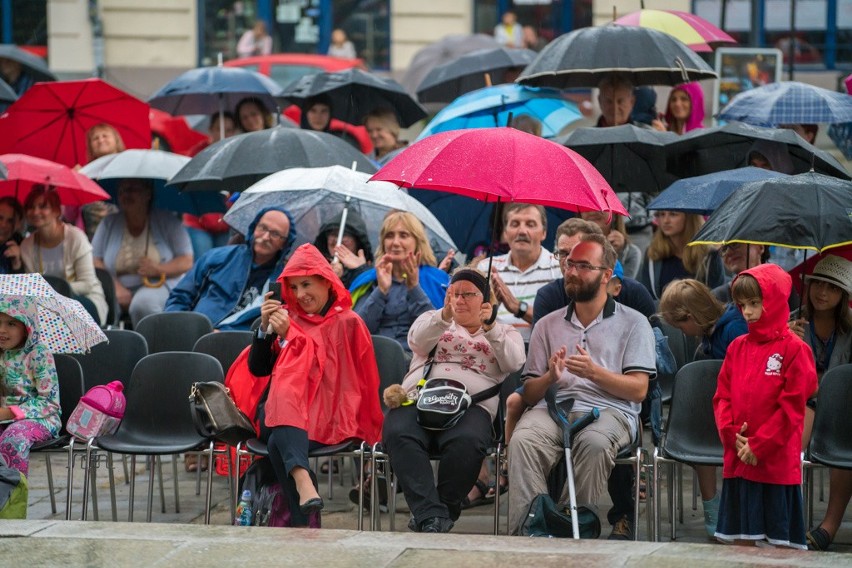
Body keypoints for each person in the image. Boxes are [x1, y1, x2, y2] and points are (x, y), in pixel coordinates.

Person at [508, 233, 656, 539]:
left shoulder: (635, 322)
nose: (572, 271)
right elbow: (531, 394)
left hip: (611, 409)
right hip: (554, 407)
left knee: (595, 443)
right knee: (523, 440)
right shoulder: (547, 324)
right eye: (569, 263)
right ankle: (529, 534)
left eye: (583, 266)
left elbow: (639, 390)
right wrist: (550, 377)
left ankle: (570, 531)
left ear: (606, 276)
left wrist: (594, 373)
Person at [238, 243, 383, 526]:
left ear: (326, 282)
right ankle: (304, 491)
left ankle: (303, 513)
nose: (300, 295)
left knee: (280, 435)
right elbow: (258, 369)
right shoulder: (286, 319)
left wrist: (292, 336)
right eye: (293, 288)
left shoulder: (350, 322)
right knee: (280, 406)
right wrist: (265, 329)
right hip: (283, 413)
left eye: (306, 284)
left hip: (327, 414)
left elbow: (341, 378)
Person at [382, 267, 525, 533]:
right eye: (453, 294)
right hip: (419, 397)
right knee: (398, 431)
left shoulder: (504, 331)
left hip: (471, 405)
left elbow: (514, 361)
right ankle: (432, 515)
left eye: (467, 295)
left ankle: (436, 513)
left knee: (468, 441)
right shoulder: (433, 318)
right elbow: (416, 341)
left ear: (484, 300)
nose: (458, 300)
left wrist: (490, 327)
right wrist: (444, 315)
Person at [713, 263, 817, 549]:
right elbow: (722, 397)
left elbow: (793, 408)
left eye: (755, 303)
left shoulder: (796, 350)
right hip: (739, 460)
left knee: (780, 550)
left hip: (774, 464)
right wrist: (731, 434)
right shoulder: (736, 347)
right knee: (740, 544)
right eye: (742, 304)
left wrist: (759, 446)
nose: (747, 312)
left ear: (773, 301)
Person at [658, 278, 748, 537]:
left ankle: (732, 508)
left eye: (680, 325)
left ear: (692, 317)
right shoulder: (708, 335)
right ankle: (711, 507)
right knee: (699, 428)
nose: (681, 331)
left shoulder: (734, 330)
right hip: (716, 413)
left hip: (741, 416)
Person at [788, 255, 852, 551]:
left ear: (843, 296)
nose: (822, 293)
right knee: (787, 439)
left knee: (844, 442)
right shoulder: (791, 322)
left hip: (844, 410)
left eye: (832, 288)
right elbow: (773, 373)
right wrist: (787, 344)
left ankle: (829, 526)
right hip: (805, 402)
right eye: (817, 284)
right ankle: (784, 519)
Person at [165, 207, 296, 331]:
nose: (266, 237)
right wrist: (181, 328)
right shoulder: (216, 258)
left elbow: (273, 329)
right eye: (263, 227)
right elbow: (180, 297)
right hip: (195, 333)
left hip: (239, 345)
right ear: (254, 227)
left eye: (275, 234)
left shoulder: (284, 281)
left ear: (284, 243)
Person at [92, 179, 194, 327]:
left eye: (133, 189)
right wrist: (114, 287)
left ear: (148, 193)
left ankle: (153, 347)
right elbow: (95, 260)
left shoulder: (168, 221)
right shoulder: (109, 222)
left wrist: (158, 269)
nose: (126, 194)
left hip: (159, 284)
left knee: (143, 304)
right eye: (122, 190)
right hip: (116, 288)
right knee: (95, 304)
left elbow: (186, 261)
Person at [349, 211, 449, 352]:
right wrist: (381, 291)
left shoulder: (436, 279)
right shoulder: (369, 279)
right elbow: (356, 332)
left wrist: (414, 288)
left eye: (403, 235)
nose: (395, 242)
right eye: (389, 236)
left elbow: (438, 333)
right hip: (373, 358)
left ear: (417, 242)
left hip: (419, 361)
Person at [18, 186, 108, 326]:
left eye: (43, 206)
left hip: (85, 300)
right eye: (30, 207)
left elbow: (87, 284)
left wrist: (56, 292)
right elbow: (32, 288)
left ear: (56, 211)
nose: (35, 212)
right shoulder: (26, 245)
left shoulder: (76, 237)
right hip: (46, 308)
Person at [476, 203, 563, 343]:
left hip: (542, 352)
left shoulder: (559, 268)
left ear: (544, 233)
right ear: (505, 232)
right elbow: (473, 322)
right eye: (515, 224)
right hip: (495, 350)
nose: (522, 231)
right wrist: (491, 307)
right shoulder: (487, 267)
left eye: (530, 224)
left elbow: (562, 324)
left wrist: (517, 307)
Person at [0, 297, 61, 477]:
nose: (2, 330)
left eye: (11, 323)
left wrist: (8, 413)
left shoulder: (39, 354)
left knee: (13, 439)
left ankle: (11, 498)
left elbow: (50, 402)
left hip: (41, 418)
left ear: (27, 329)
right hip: (4, 419)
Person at [638, 211, 725, 302]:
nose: (665, 221)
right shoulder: (653, 253)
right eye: (662, 214)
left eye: (673, 214)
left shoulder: (709, 254)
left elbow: (718, 298)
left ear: (689, 218)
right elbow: (647, 297)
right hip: (661, 314)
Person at [311, 209, 373, 289]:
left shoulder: (370, 275)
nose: (337, 240)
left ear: (358, 242)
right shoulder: (313, 268)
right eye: (333, 234)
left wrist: (360, 271)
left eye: (344, 234)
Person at [580, 210, 642, 279]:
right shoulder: (571, 246)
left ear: (614, 214)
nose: (592, 212)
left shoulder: (630, 252)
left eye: (601, 207)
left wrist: (613, 254)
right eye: (587, 207)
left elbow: (620, 286)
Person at [0, 197, 25, 275]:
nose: (3, 225)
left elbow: (22, 286)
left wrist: (17, 265)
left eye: (10, 221)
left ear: (18, 224)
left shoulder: (24, 248)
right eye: (0, 218)